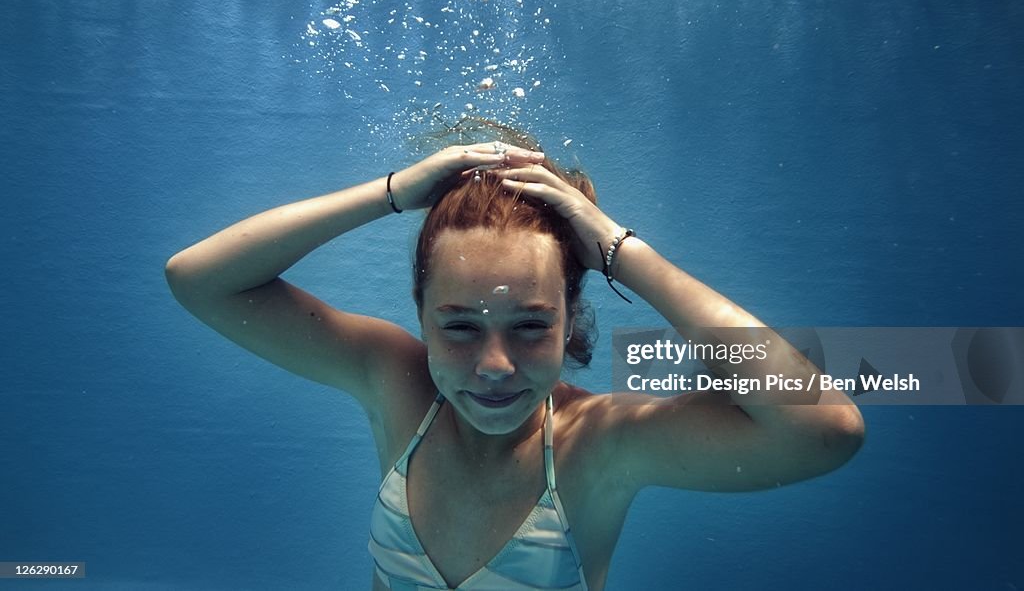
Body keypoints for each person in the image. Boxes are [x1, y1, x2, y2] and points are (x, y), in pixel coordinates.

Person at [165, 120, 864, 591]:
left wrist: (621, 249)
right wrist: (392, 192)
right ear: (420, 316)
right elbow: (198, 277)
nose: (495, 365)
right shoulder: (395, 379)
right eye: (461, 327)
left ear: (569, 317)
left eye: (531, 325)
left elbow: (823, 428)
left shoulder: (601, 444)